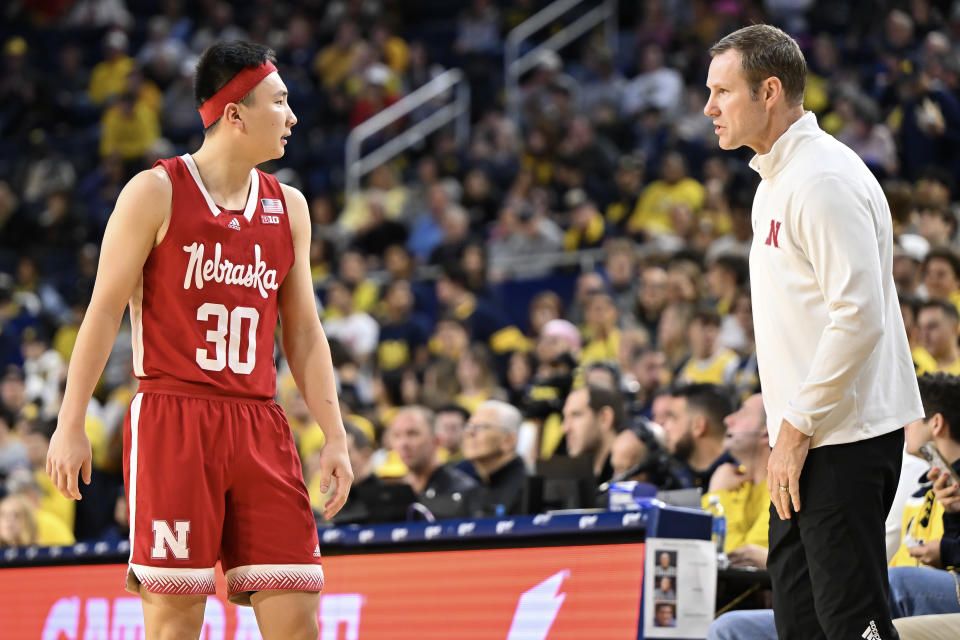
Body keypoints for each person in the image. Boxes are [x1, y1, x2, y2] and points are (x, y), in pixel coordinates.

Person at [45, 42, 353, 639]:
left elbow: (306, 332)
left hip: (260, 422)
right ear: (235, 114)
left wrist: (335, 433)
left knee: (298, 618)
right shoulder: (154, 191)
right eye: (280, 102)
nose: (293, 116)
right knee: (175, 623)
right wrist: (69, 421)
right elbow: (104, 310)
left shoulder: (289, 207)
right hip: (174, 420)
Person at [705, 24, 923, 640]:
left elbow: (859, 318)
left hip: (841, 439)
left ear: (768, 91)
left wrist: (795, 427)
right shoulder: (773, 182)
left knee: (853, 625)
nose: (709, 107)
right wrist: (787, 432)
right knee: (799, 623)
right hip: (800, 440)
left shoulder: (822, 180)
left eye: (722, 91)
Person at [702, 393, 770, 569]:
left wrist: (718, 495)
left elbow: (738, 562)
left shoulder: (783, 486)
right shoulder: (731, 480)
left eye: (743, 414)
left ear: (767, 432)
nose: (728, 420)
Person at [388, 406, 478, 499]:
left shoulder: (462, 490)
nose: (403, 444)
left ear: (436, 441)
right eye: (397, 435)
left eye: (412, 434)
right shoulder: (392, 492)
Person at [659, 383, 736, 489]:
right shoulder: (674, 478)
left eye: (673, 418)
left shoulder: (742, 477)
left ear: (698, 426)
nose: (665, 427)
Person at [463, 400, 527, 515]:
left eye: (481, 427)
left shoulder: (527, 491)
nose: (469, 433)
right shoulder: (471, 487)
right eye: (468, 426)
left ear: (509, 440)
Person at [561, 385, 625, 485]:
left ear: (605, 418)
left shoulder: (628, 478)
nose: (565, 428)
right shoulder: (581, 476)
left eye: (576, 415)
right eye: (565, 417)